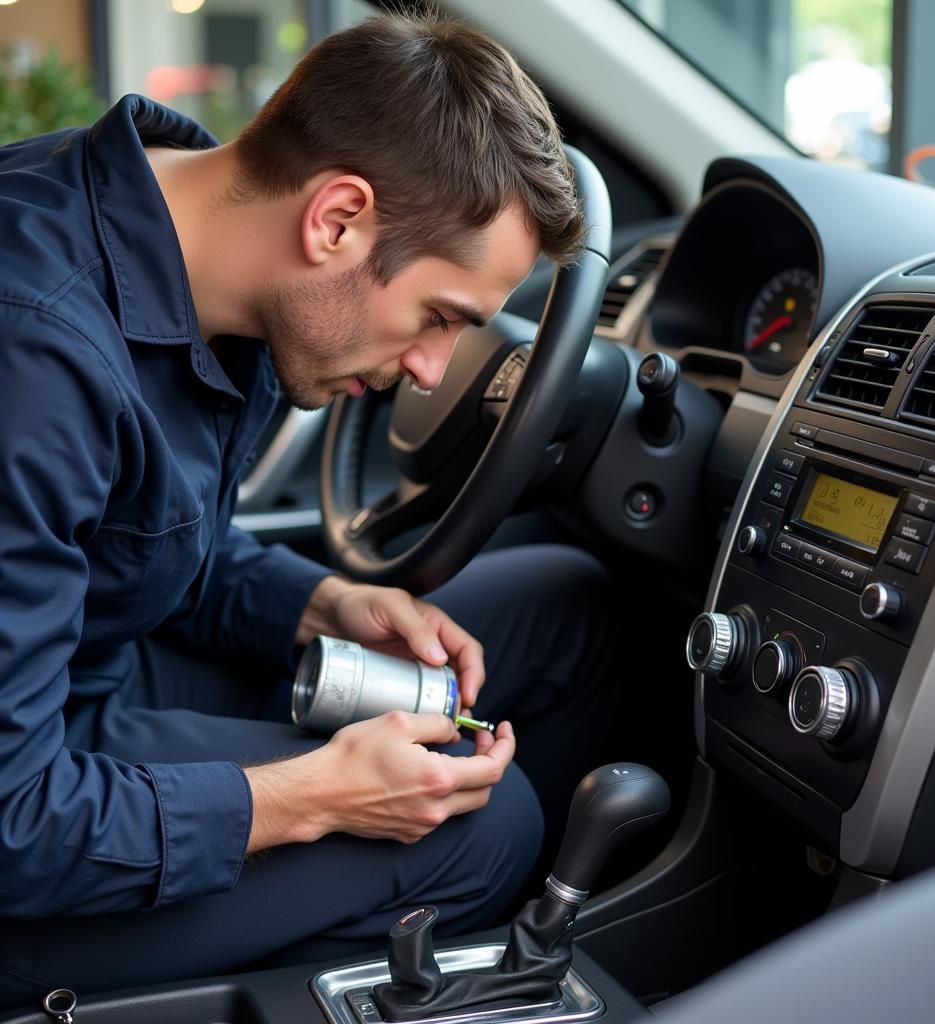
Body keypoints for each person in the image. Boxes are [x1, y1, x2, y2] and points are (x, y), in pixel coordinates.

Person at [0, 11, 622, 1011]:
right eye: (440, 318)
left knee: (566, 605)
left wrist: (324, 603)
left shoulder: (207, 258)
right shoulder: (33, 358)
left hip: (81, 661)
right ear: (336, 219)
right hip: (35, 810)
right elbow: (11, 817)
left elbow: (129, 540)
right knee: (487, 825)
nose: (426, 368)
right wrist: (316, 798)